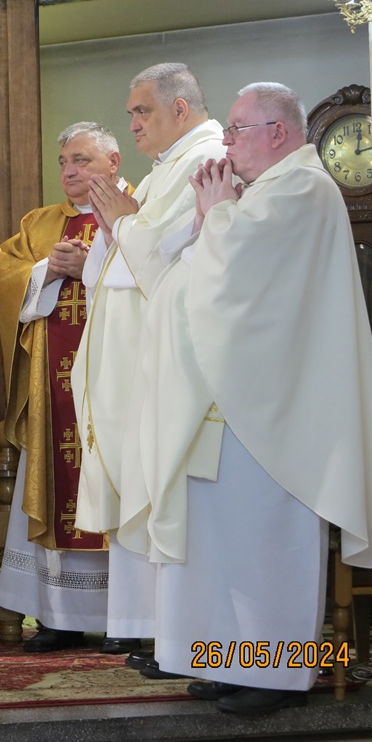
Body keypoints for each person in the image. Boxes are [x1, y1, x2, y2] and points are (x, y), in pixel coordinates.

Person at [116, 82, 372, 714]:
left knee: (264, 547)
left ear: (277, 133)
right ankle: (228, 661)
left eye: (236, 129)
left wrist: (216, 215)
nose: (226, 142)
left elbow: (238, 279)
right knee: (220, 546)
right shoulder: (261, 194)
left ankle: (280, 676)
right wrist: (211, 217)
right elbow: (188, 277)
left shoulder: (305, 189)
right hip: (229, 402)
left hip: (276, 413)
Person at [71, 63, 226, 665]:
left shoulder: (202, 160)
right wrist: (119, 226)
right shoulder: (169, 165)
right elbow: (135, 251)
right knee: (139, 481)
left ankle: (179, 637)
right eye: (132, 113)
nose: (133, 123)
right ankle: (154, 628)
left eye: (143, 111)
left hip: (164, 354)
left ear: (179, 109)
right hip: (139, 350)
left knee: (158, 486)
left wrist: (123, 221)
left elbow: (168, 257)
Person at [0, 122, 130, 652]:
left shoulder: (138, 211)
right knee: (58, 485)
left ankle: (126, 616)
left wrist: (89, 266)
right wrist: (46, 271)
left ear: (113, 163)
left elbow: (156, 274)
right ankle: (61, 616)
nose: (70, 171)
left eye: (82, 160)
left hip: (116, 386)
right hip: (53, 389)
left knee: (118, 485)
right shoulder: (40, 223)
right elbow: (5, 279)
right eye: (64, 162)